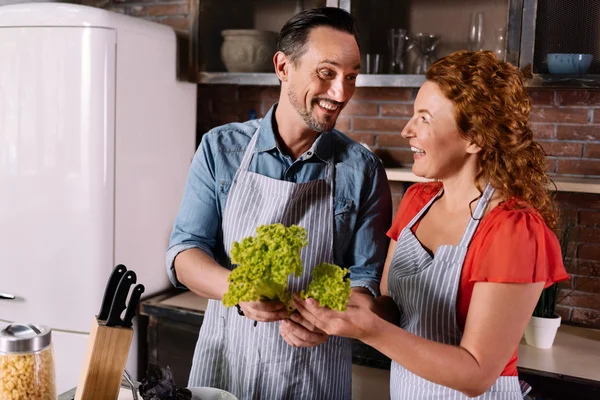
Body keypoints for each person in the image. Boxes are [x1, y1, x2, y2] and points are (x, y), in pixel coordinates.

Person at [293, 50, 570, 399]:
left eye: (424, 118)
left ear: (475, 138)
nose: (407, 130)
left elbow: (476, 373)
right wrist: (341, 312)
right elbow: (392, 308)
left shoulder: (513, 229)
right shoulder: (417, 202)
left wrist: (370, 331)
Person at [166, 7, 392, 400]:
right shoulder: (221, 149)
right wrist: (238, 287)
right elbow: (185, 253)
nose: (341, 93)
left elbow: (365, 283)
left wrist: (329, 320)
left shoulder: (363, 170)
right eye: (327, 72)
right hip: (227, 362)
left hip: (314, 374)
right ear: (283, 66)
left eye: (351, 77)